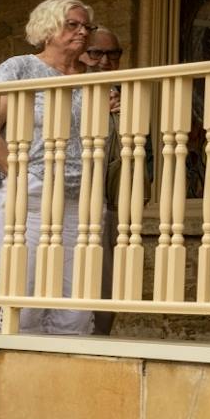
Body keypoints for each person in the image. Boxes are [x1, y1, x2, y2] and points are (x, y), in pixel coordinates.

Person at [0, 0, 97, 336]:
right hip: (30, 196)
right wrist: (17, 174)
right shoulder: (20, 68)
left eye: (86, 27)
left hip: (78, 200)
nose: (82, 32)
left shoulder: (91, 78)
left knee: (76, 304)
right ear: (48, 29)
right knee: (27, 295)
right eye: (73, 24)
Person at [79, 27, 126, 335]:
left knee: (106, 289)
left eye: (113, 54)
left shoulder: (125, 95)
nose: (104, 61)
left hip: (109, 206)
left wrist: (126, 117)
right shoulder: (65, 89)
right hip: (67, 203)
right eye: (96, 53)